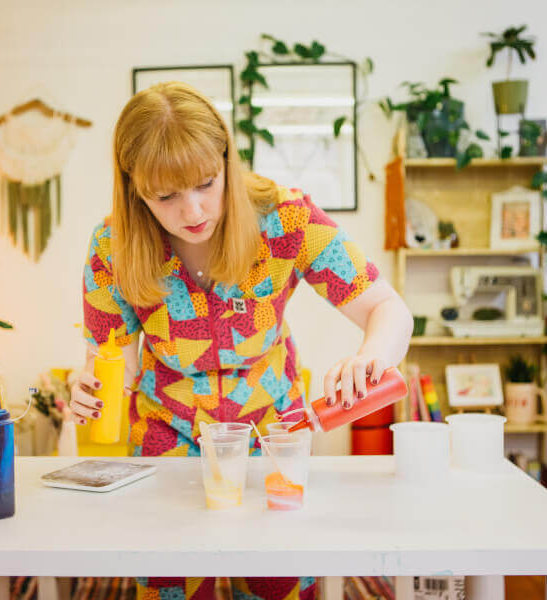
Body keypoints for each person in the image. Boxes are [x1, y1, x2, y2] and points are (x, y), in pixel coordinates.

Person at [71, 81, 413, 600]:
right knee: (170, 585)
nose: (193, 212)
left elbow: (389, 309)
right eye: (166, 196)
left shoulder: (286, 219)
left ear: (228, 160)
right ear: (133, 188)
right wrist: (87, 383)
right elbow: (107, 363)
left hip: (273, 438)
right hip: (167, 441)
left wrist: (370, 358)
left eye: (207, 183)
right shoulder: (111, 247)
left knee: (277, 582)